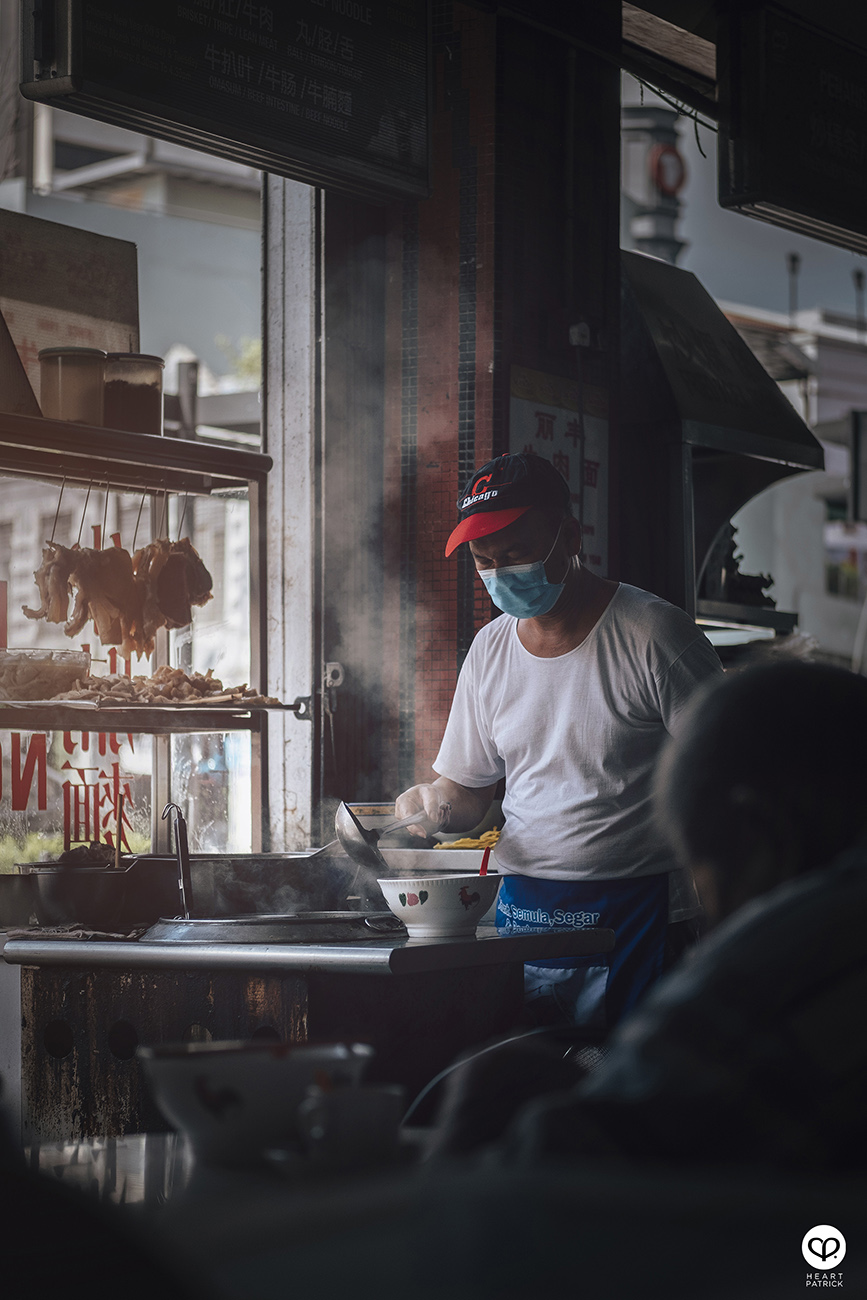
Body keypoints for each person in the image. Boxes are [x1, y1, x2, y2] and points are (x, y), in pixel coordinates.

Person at [396, 452, 723, 1033]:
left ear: (569, 536)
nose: (500, 573)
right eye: (484, 561)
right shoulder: (489, 651)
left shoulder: (653, 635)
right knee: (529, 1082)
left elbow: (728, 775)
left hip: (639, 917)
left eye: (516, 553)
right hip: (522, 915)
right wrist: (435, 803)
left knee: (627, 1098)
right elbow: (466, 789)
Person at [497, 660, 867, 1172]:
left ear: (763, 842)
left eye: (705, 878)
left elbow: (547, 1189)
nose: (711, 922)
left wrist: (475, 1132)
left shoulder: (772, 982)